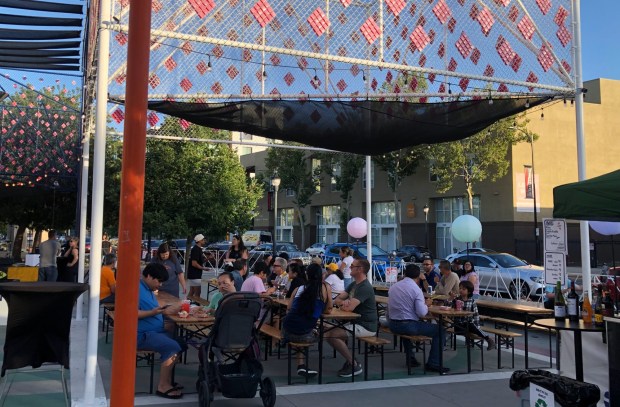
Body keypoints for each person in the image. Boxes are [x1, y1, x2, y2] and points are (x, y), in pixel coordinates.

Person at [388, 264, 449, 374]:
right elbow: (422, 313)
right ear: (418, 276)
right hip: (407, 325)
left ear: (405, 273)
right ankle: (434, 363)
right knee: (440, 330)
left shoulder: (394, 287)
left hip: (392, 324)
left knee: (407, 329)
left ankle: (410, 358)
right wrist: (427, 304)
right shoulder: (416, 290)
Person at [138, 263, 186, 400]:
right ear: (148, 276)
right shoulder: (135, 289)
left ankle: (168, 380)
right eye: (158, 281)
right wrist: (153, 312)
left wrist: (164, 310)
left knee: (181, 343)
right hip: (142, 335)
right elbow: (129, 313)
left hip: (155, 332)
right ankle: (163, 386)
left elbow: (153, 308)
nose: (160, 284)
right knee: (173, 346)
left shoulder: (147, 289)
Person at [326, 259, 377, 377]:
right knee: (328, 332)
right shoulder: (354, 284)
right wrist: (344, 303)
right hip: (355, 322)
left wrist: (345, 303)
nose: (350, 268)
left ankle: (354, 365)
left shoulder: (364, 287)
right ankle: (351, 361)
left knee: (332, 335)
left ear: (360, 269)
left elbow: (348, 308)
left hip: (366, 325)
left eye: (352, 266)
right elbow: (338, 299)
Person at [282, 263, 332, 377]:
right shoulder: (325, 288)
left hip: (286, 331)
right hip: (305, 335)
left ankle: (301, 365)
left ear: (307, 275)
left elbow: (289, 308)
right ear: (322, 275)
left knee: (302, 326)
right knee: (325, 330)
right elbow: (329, 309)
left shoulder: (298, 289)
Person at [453, 281, 495, 350]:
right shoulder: (456, 299)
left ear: (469, 292)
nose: (461, 290)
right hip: (458, 324)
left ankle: (488, 340)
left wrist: (477, 326)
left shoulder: (472, 302)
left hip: (469, 325)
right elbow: (448, 307)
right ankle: (487, 338)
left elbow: (476, 315)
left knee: (470, 324)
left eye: (463, 289)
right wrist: (451, 299)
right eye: (460, 288)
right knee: (470, 325)